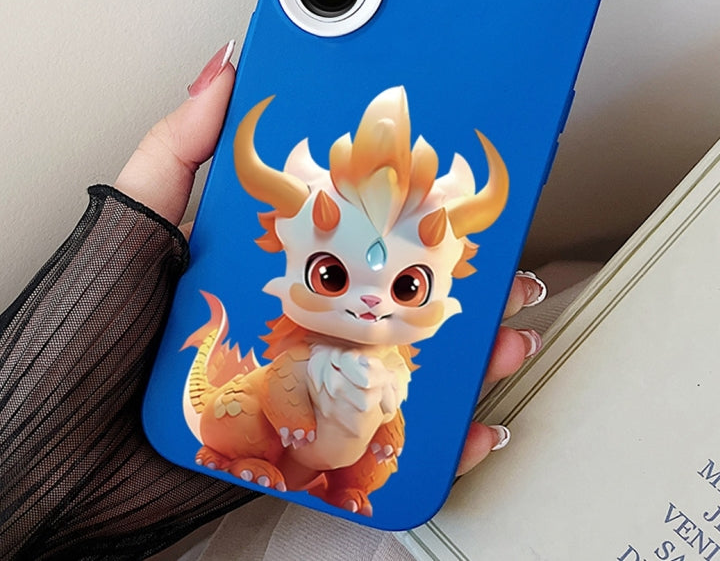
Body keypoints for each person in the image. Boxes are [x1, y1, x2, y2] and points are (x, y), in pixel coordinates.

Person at [0, 44, 546, 561]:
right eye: (332, 276)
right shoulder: (300, 361)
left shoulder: (393, 368)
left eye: (407, 287)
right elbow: (284, 387)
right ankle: (230, 450)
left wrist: (385, 435)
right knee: (244, 410)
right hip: (253, 429)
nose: (371, 301)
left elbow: (386, 414)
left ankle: (345, 485)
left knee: (387, 456)